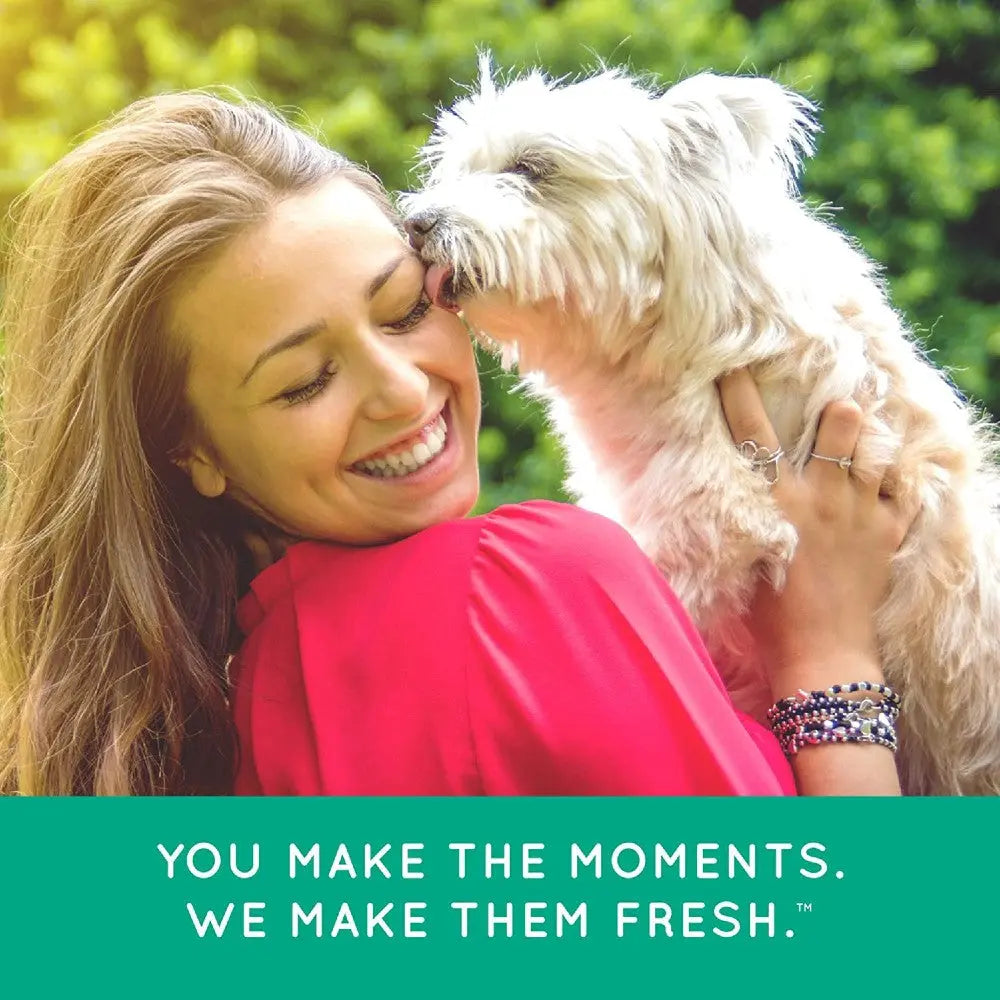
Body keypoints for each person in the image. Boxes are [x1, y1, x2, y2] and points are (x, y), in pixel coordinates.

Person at [0, 91, 913, 797]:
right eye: (304, 382)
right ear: (187, 450)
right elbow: (867, 954)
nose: (404, 389)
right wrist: (829, 656)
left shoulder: (208, 718)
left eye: (408, 309)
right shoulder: (518, 589)